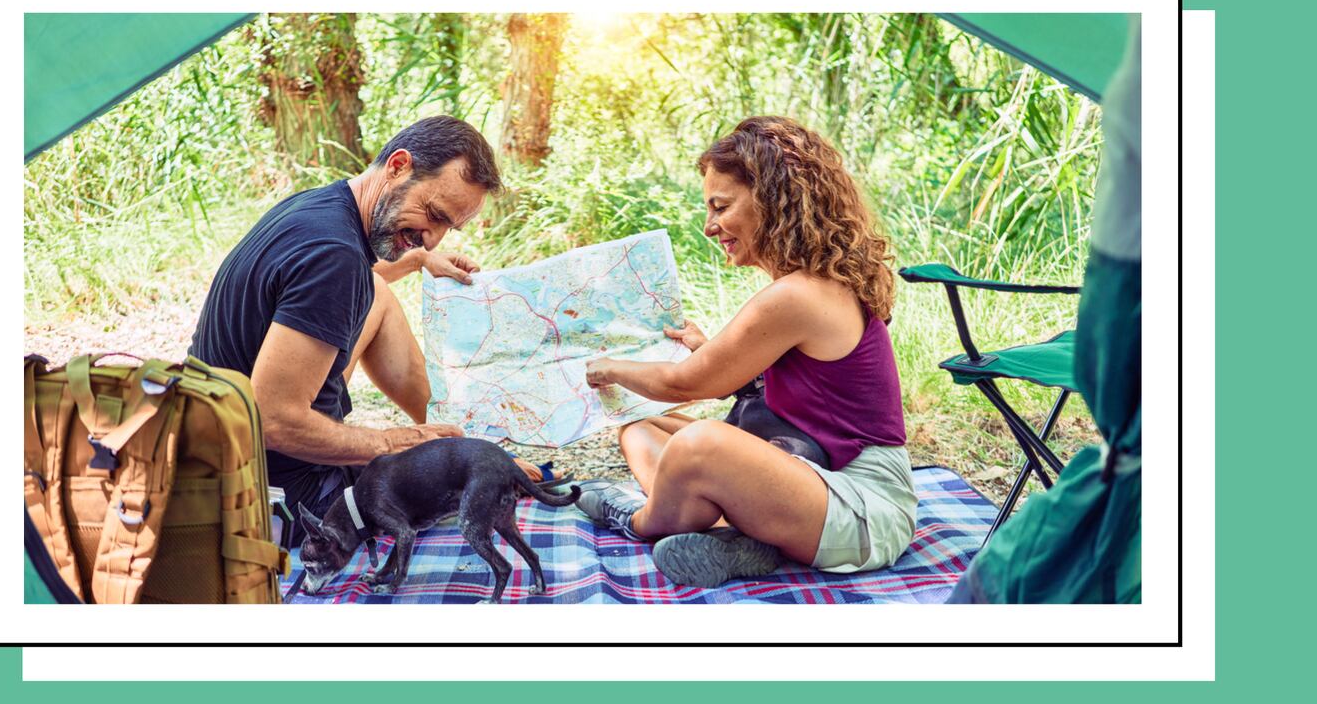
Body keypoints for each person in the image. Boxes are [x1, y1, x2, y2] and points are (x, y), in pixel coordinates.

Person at [579, 116, 915, 587]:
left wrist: (608, 368)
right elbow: (770, 384)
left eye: (720, 207)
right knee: (641, 424)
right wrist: (709, 349)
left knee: (700, 445)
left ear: (775, 198)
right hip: (807, 469)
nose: (710, 226)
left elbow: (685, 384)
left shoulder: (800, 294)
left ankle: (636, 519)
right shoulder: (807, 286)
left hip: (861, 507)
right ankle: (739, 538)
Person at [188, 115, 544, 544]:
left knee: (378, 294)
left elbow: (336, 285)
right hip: (276, 496)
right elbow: (271, 420)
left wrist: (415, 262)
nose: (433, 239)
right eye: (433, 215)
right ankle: (459, 452)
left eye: (449, 226)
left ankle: (465, 447)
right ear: (398, 166)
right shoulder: (334, 257)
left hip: (209, 450)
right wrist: (399, 442)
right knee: (428, 479)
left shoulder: (320, 209)